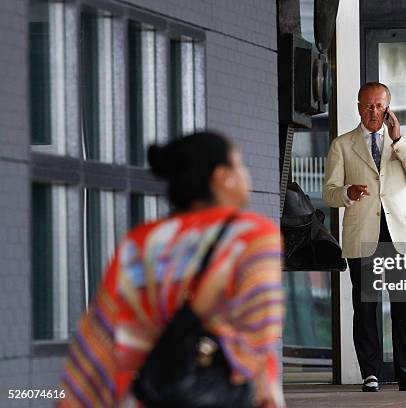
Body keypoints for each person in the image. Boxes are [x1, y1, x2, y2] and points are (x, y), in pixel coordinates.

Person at [59, 132, 285, 407]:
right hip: (221, 393)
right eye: (240, 164)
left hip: (145, 394)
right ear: (222, 176)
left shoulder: (140, 242)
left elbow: (102, 333)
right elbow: (260, 330)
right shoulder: (252, 236)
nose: (245, 174)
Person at [323, 82, 406, 392]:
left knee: (403, 307)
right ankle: (371, 373)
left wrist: (397, 139)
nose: (373, 111)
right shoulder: (342, 145)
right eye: (368, 105)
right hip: (363, 235)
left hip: (399, 235)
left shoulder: (401, 142)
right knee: (366, 307)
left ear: (388, 109)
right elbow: (329, 193)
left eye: (379, 106)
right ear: (358, 107)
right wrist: (347, 192)